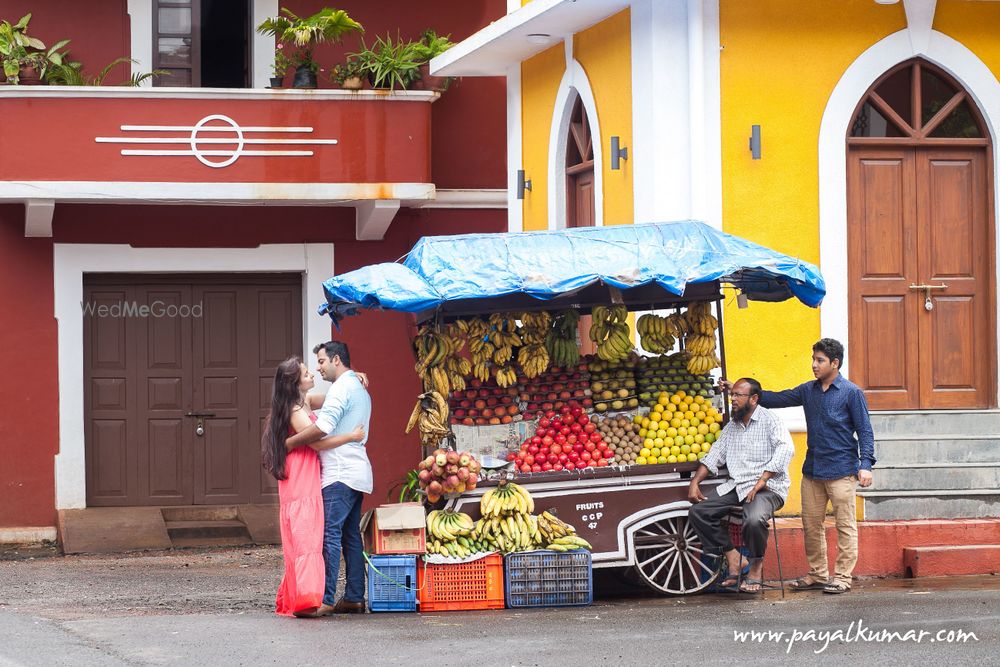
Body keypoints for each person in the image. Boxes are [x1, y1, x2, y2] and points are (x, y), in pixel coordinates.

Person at [720, 338, 875, 595]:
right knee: (811, 525)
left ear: (835, 363)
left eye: (820, 360)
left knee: (845, 525)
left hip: (842, 470)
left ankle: (843, 577)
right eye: (813, 359)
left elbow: (865, 432)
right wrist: (737, 390)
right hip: (813, 470)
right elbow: (773, 398)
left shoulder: (851, 393)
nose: (814, 365)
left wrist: (866, 464)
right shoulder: (808, 390)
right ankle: (817, 574)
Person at [261, 357, 365, 618]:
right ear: (295, 382)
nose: (313, 375)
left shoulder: (304, 401)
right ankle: (307, 599)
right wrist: (351, 437)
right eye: (307, 374)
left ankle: (305, 594)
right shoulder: (295, 410)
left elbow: (334, 397)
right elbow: (317, 441)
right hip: (301, 472)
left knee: (308, 530)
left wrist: (352, 377)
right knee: (306, 531)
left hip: (305, 467)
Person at [285, 341, 372, 615]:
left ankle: (324, 598)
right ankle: (355, 597)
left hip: (339, 472)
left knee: (329, 535)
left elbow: (322, 428)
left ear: (336, 360)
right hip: (356, 471)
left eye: (321, 361)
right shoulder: (354, 386)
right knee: (350, 537)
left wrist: (288, 444)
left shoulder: (341, 388)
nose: (318, 368)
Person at [688, 378, 794, 594]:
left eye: (738, 395)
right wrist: (695, 482)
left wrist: (761, 481)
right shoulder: (732, 426)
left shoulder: (770, 421)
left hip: (769, 487)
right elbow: (715, 454)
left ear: (754, 399)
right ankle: (734, 557)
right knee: (699, 511)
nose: (733, 399)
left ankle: (755, 566)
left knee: (753, 519)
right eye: (732, 395)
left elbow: (786, 451)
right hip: (738, 486)